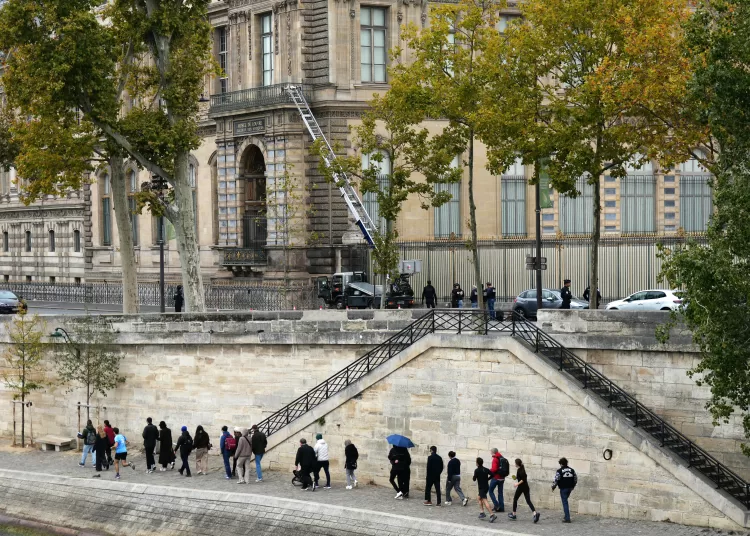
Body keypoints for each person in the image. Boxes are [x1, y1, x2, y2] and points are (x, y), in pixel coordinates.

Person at [508, 458, 541, 523]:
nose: (514, 464)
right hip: (526, 487)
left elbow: (523, 479)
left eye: (515, 463)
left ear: (517, 464)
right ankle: (535, 513)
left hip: (521, 487)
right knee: (528, 501)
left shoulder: (521, 470)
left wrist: (517, 484)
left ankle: (514, 514)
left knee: (515, 499)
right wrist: (516, 478)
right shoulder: (521, 469)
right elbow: (520, 477)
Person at [551, 457, 578, 523]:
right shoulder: (572, 470)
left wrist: (553, 487)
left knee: (565, 502)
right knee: (565, 500)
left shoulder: (559, 471)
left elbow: (556, 480)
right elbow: (575, 479)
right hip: (570, 488)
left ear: (561, 464)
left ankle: (567, 518)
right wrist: (573, 486)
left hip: (563, 488)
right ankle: (566, 515)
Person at [473, 457, 496, 522]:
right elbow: (492, 474)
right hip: (486, 487)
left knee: (485, 500)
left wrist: (475, 476)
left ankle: (492, 514)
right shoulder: (486, 469)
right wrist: (487, 479)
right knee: (478, 498)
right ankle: (482, 512)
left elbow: (474, 479)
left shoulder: (477, 470)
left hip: (481, 488)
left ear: (477, 463)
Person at [489, 448, 509, 512]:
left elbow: (494, 469)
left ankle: (496, 505)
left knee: (490, 491)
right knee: (500, 493)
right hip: (502, 478)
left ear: (492, 452)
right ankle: (502, 508)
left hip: (496, 478)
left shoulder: (495, 459)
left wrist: (489, 471)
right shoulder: (502, 458)